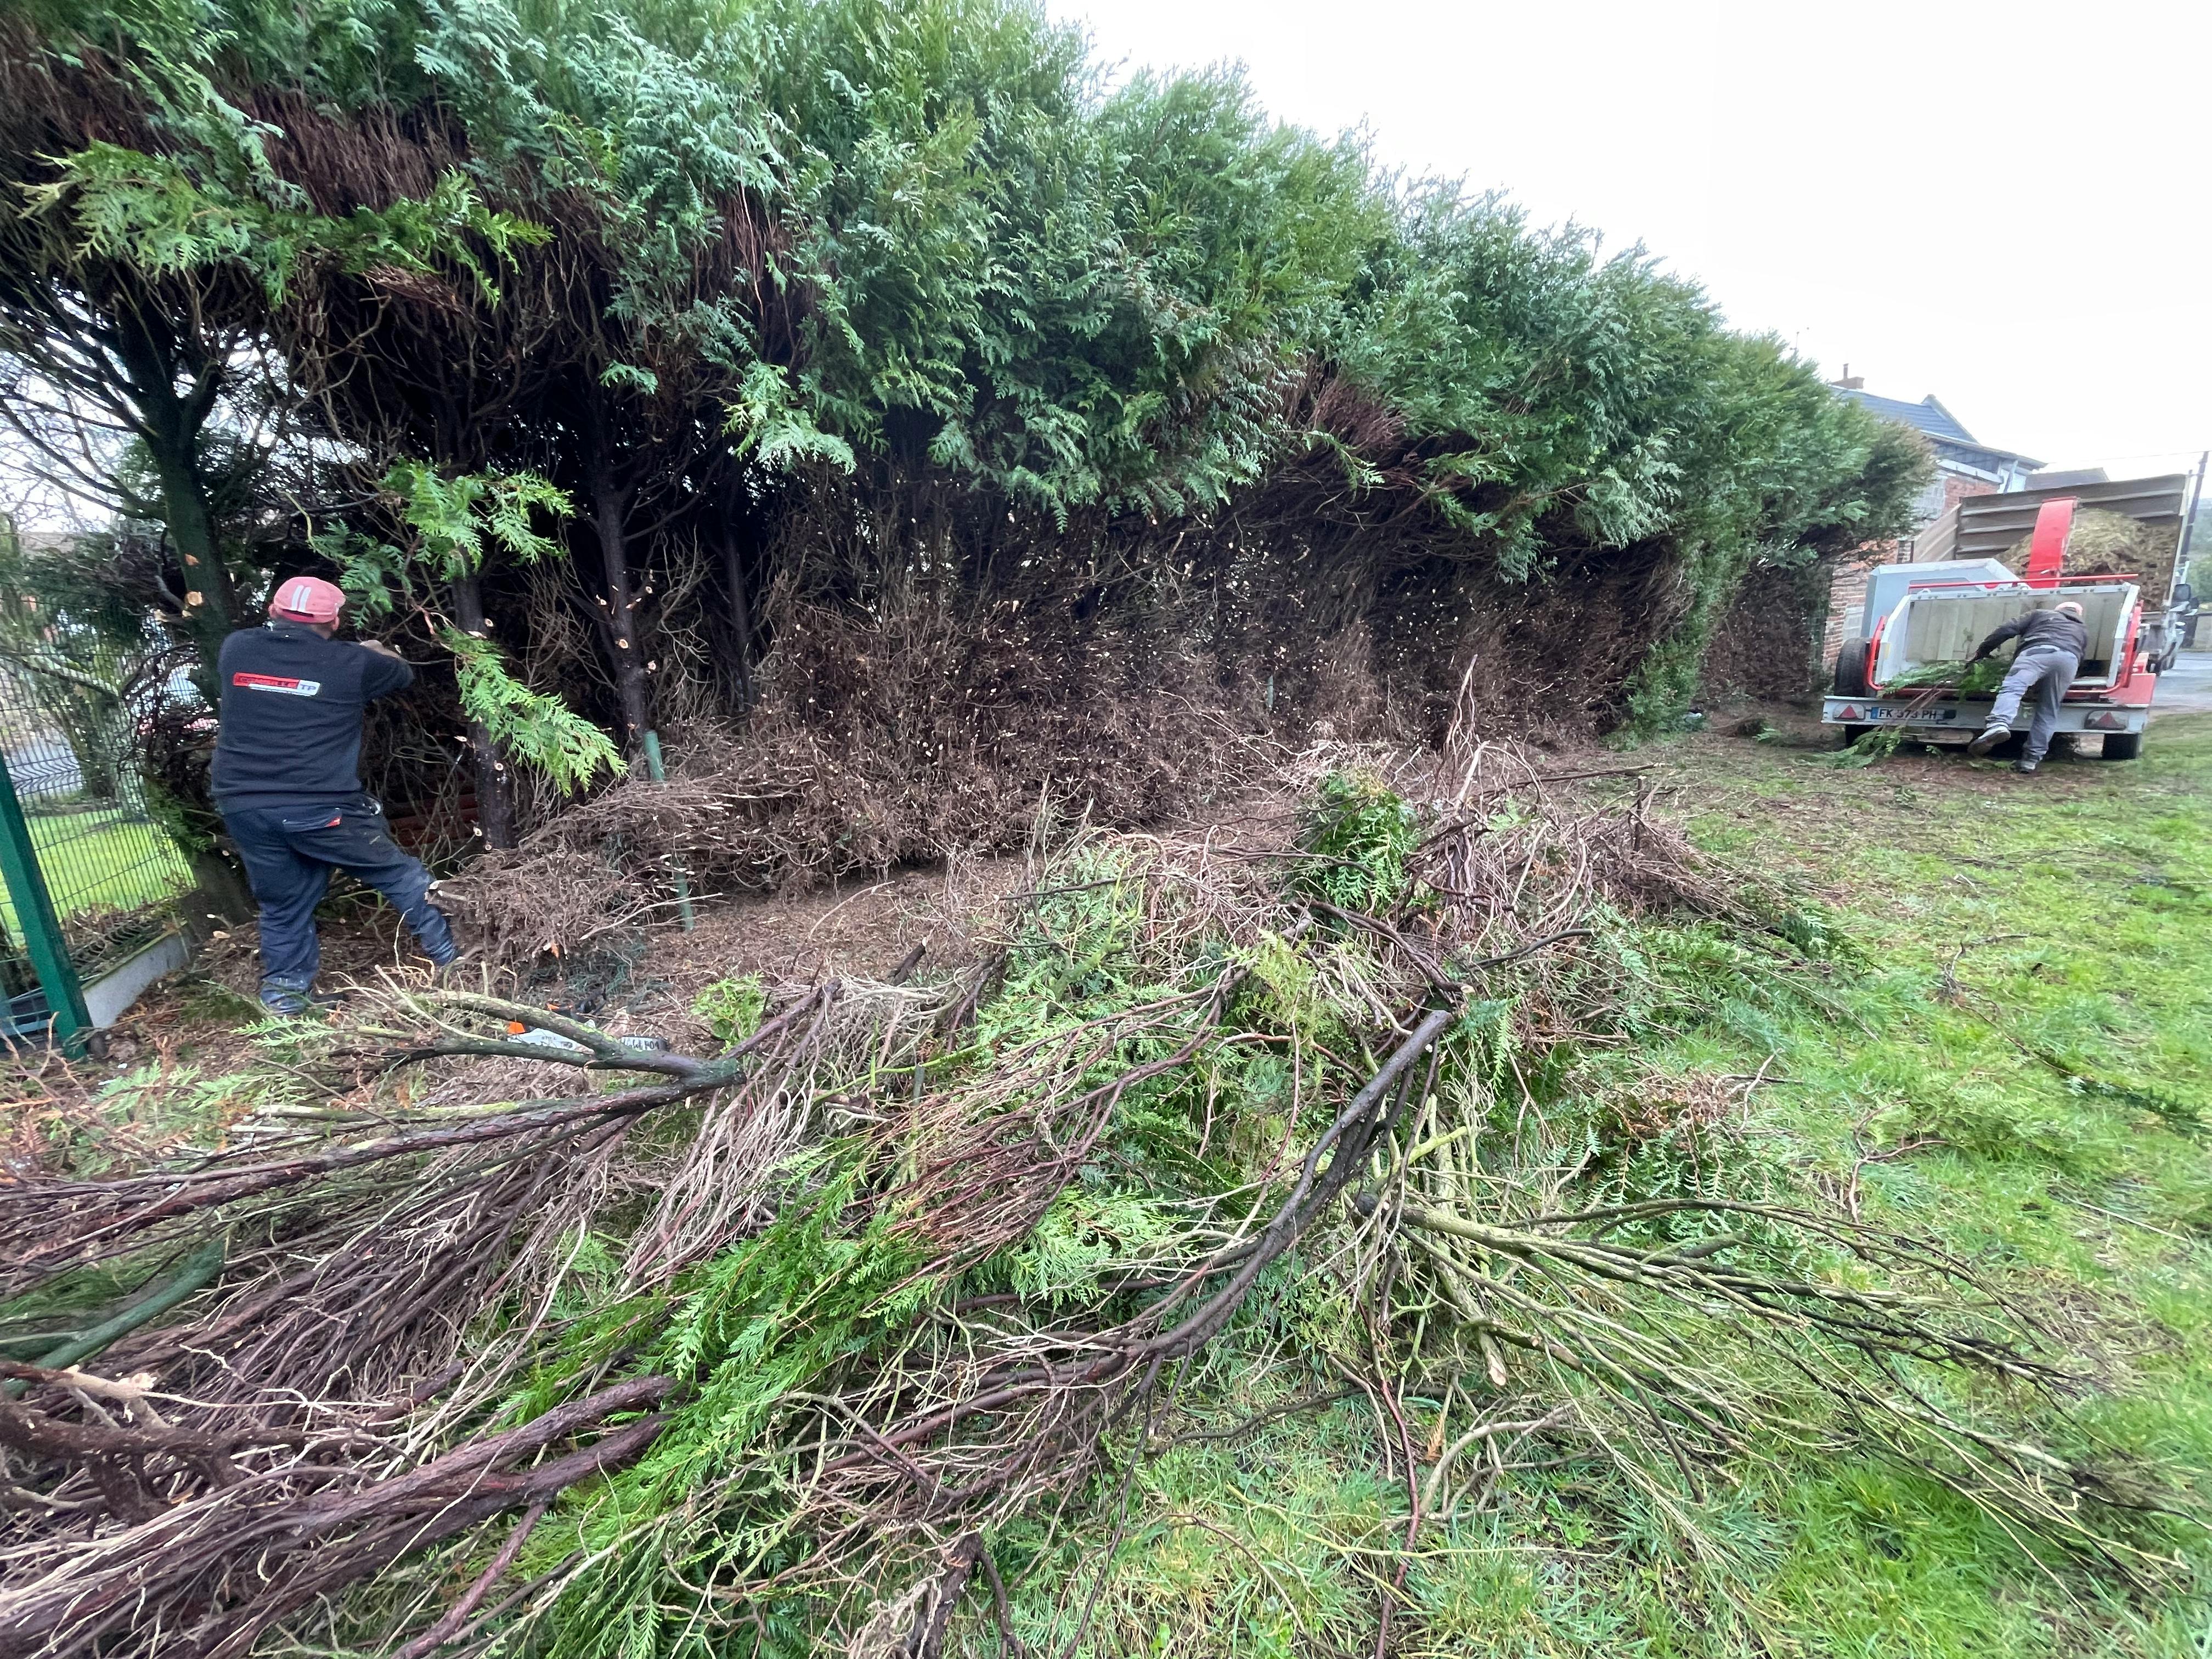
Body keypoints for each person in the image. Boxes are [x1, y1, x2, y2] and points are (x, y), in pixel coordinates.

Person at [210, 575, 457, 1013]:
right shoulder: (353, 664)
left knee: (284, 904)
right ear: (336, 621)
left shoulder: (237, 649)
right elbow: (399, 672)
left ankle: (285, 1003)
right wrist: (374, 649)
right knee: (401, 876)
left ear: (273, 610)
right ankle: (461, 968)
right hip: (319, 805)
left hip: (244, 805)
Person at [1965, 599, 2089, 775]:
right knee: (2048, 710)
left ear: (2057, 610)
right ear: (2078, 614)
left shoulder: (2041, 614)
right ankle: (2030, 761)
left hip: (2037, 653)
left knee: (2013, 688)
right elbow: (2081, 656)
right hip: (2069, 662)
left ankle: (1999, 725)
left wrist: (1983, 652)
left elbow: (2007, 629)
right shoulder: (2082, 628)